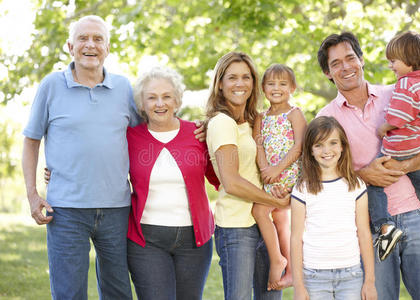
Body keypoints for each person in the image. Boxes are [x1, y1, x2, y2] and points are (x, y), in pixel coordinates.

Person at [316, 31, 420, 299]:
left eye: (350, 58)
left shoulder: (398, 92)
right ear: (328, 73)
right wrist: (363, 175)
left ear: (361, 60)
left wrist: (403, 166)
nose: (345, 67)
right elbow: (324, 180)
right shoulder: (325, 118)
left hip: (418, 216)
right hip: (372, 226)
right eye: (336, 63)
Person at [22, 15, 138, 299]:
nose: (91, 45)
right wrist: (32, 195)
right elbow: (31, 141)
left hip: (117, 208)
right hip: (65, 210)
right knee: (68, 293)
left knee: (118, 292)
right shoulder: (51, 86)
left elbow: (144, 138)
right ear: (70, 46)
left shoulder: (124, 89)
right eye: (83, 39)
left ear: (107, 48)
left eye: (98, 39)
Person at [126, 66, 220, 300]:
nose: (160, 103)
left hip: (194, 240)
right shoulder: (129, 137)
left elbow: (221, 177)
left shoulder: (199, 133)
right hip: (146, 239)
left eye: (167, 96)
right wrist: (56, 173)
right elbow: (103, 170)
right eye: (152, 97)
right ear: (142, 104)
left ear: (177, 101)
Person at [205, 51, 290, 300]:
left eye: (246, 77)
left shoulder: (254, 121)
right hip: (236, 227)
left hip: (266, 224)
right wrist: (274, 202)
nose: (240, 84)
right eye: (232, 78)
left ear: (254, 83)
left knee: (271, 296)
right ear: (220, 84)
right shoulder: (222, 123)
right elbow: (231, 182)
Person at [367, 31, 420, 265]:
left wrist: (384, 127)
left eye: (394, 61)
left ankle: (385, 228)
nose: (391, 65)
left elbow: (399, 117)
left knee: (375, 182)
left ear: (409, 60)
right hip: (419, 144)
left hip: (400, 148)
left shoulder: (404, 83)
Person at [291, 116, 376, 300]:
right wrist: (298, 285)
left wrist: (369, 281)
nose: (326, 150)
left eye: (333, 143)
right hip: (314, 276)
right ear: (310, 151)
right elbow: (296, 238)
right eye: (319, 145)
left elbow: (363, 232)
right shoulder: (302, 188)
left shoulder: (356, 185)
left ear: (342, 146)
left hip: (351, 275)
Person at [252, 64, 307, 290]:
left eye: (283, 84)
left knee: (259, 210)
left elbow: (299, 146)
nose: (277, 88)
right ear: (263, 88)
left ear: (292, 87)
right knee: (280, 220)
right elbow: (258, 145)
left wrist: (277, 171)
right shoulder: (260, 117)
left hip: (288, 175)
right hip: (269, 177)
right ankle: (292, 271)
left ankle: (278, 258)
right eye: (271, 84)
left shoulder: (294, 113)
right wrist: (266, 171)